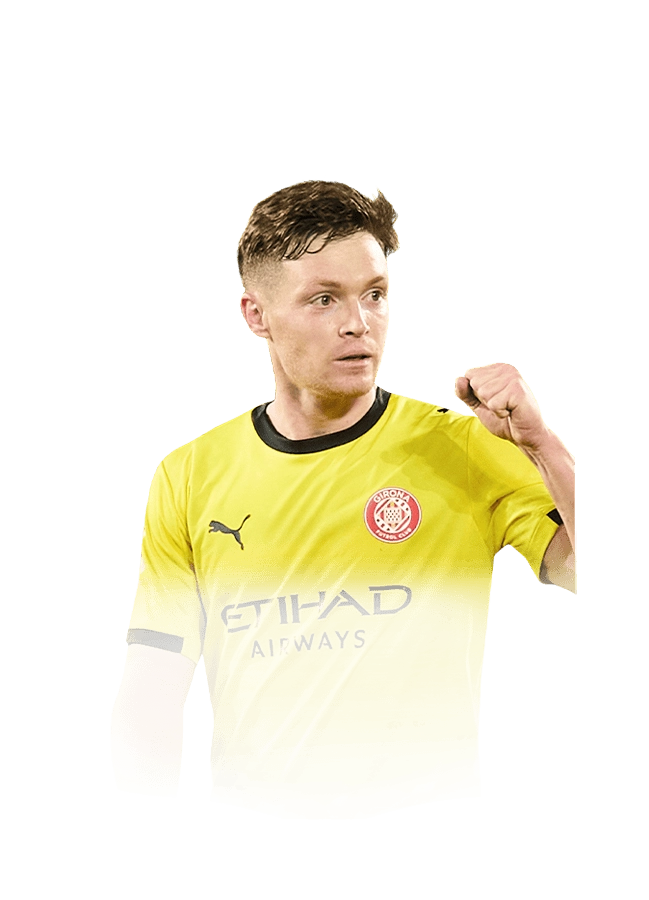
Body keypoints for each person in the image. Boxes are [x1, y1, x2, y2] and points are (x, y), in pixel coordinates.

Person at [110, 179, 577, 819]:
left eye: (375, 294)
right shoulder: (190, 475)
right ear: (256, 315)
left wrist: (544, 446)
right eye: (324, 298)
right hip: (257, 830)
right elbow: (154, 688)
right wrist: (145, 831)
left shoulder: (465, 445)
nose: (358, 323)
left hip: (428, 825)